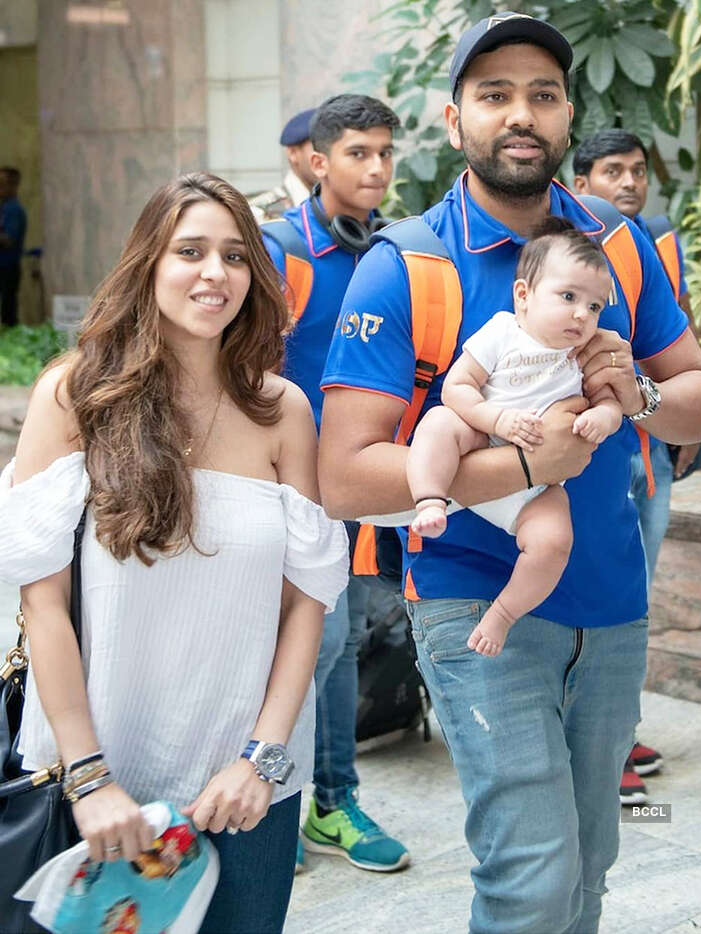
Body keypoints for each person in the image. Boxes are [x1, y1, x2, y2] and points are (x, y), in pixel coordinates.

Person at [318, 12, 701, 933]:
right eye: (493, 94)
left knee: (590, 867)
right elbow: (343, 477)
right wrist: (521, 463)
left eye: (543, 94)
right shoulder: (407, 263)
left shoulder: (616, 247)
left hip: (612, 604)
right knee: (532, 878)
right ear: (454, 120)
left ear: (568, 115)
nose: (520, 114)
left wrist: (637, 394)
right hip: (472, 602)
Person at [0, 172, 348, 934]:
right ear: (148, 263)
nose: (214, 273)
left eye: (235, 255)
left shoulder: (282, 410)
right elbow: (42, 602)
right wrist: (88, 777)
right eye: (190, 251)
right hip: (101, 785)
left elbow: (306, 603)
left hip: (244, 790)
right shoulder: (74, 397)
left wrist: (262, 759)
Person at [262, 93, 410, 873]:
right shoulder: (280, 249)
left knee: (342, 641)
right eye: (359, 152)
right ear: (317, 161)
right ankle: (275, 803)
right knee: (295, 646)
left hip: (360, 491)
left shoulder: (395, 252)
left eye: (385, 152)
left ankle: (332, 800)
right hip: (284, 492)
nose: (377, 168)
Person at [408, 218, 621, 656]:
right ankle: (429, 499)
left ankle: (503, 614)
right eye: (568, 297)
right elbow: (457, 388)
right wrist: (496, 420)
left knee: (554, 541)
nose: (582, 314)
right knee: (439, 423)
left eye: (595, 306)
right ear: (523, 295)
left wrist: (604, 417)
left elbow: (611, 402)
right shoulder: (502, 332)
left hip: (538, 490)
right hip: (481, 445)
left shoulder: (584, 353)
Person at [573, 128, 701, 803]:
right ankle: (605, 749)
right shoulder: (562, 249)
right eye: (613, 171)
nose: (629, 182)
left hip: (653, 445)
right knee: (602, 591)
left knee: (637, 593)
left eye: (638, 170)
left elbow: (678, 334)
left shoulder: (658, 242)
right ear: (582, 184)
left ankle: (621, 730)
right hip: (595, 451)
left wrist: (684, 422)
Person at [249, 107, 318, 223]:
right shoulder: (258, 213)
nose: (328, 157)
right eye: (318, 147)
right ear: (293, 153)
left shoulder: (344, 209)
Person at [0, 166, 27, 327]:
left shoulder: (14, 210)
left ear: (13, 186)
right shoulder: (4, 208)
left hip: (8, 266)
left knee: (8, 308)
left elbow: (9, 239)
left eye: (2, 184)